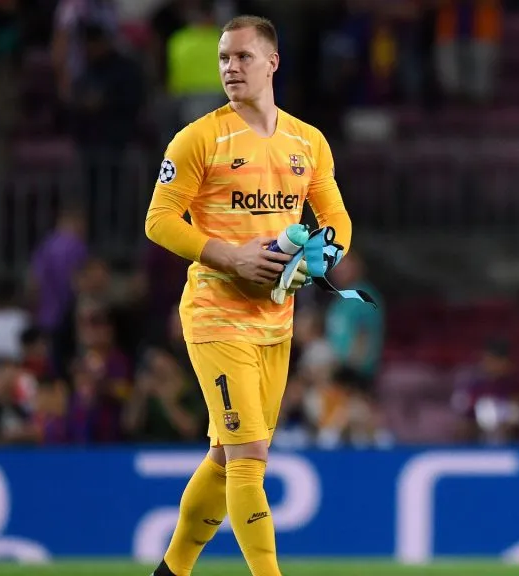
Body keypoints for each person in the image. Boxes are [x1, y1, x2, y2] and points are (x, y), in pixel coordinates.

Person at [144, 15, 352, 576]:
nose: (231, 68)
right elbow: (159, 221)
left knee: (224, 454)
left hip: (275, 320)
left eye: (242, 57)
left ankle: (172, 570)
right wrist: (230, 256)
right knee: (249, 456)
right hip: (215, 314)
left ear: (272, 62)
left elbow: (335, 218)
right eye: (224, 59)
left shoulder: (307, 142)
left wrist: (320, 261)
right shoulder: (198, 139)